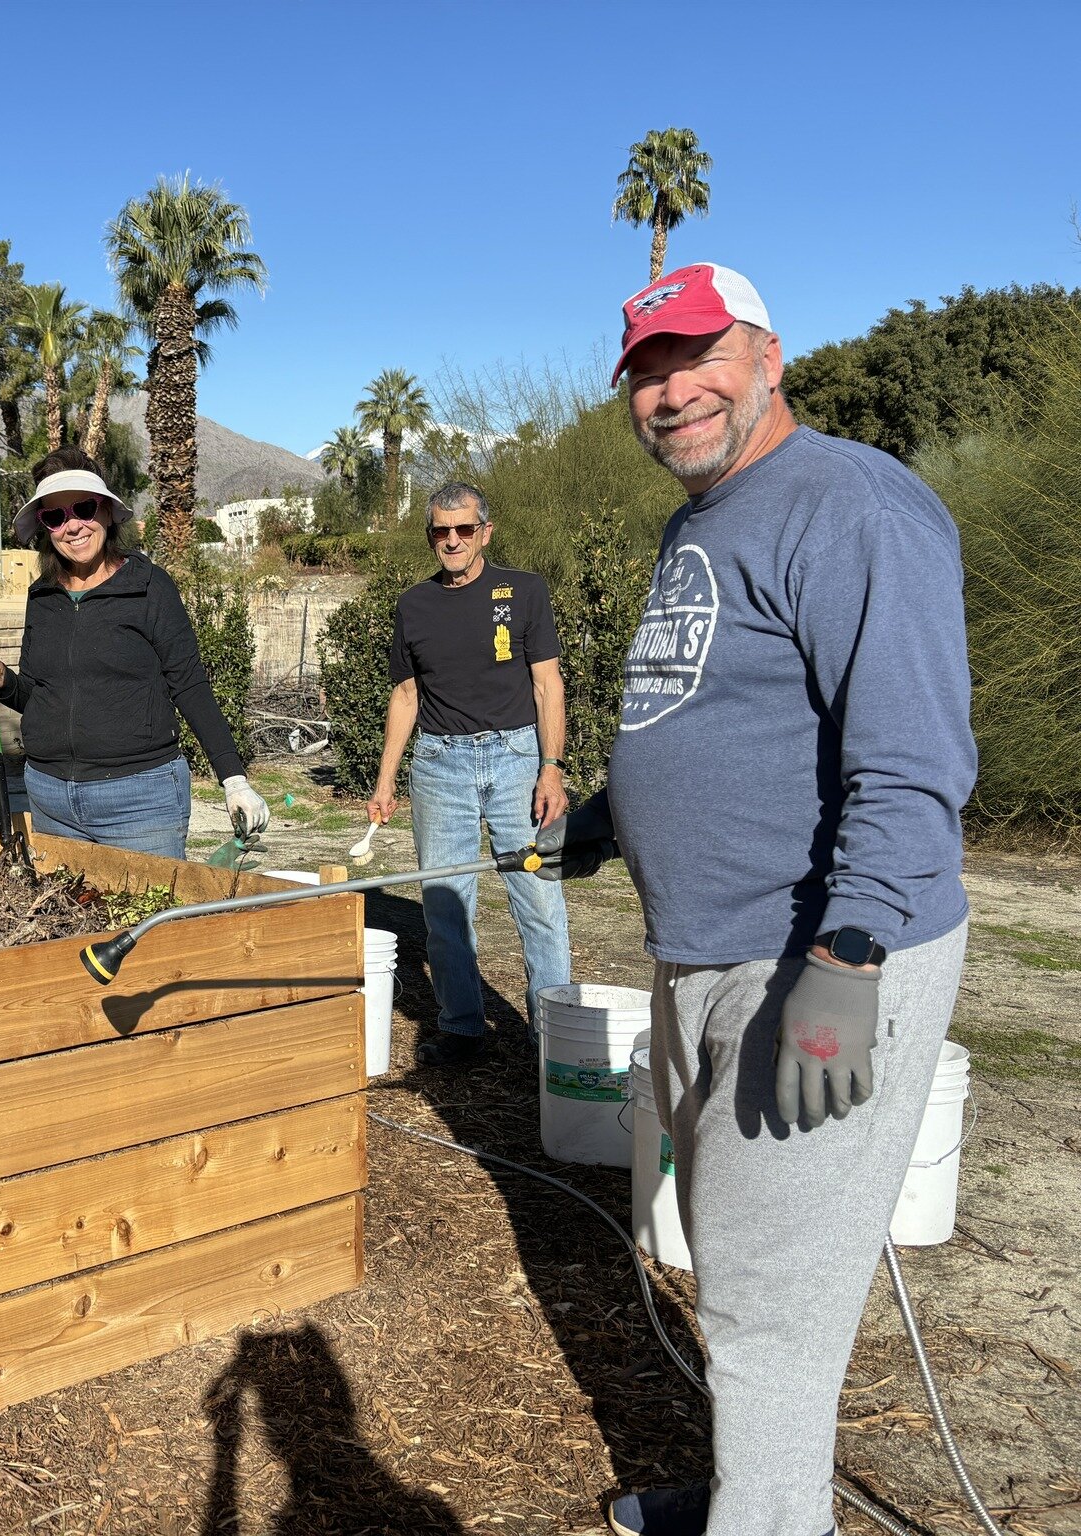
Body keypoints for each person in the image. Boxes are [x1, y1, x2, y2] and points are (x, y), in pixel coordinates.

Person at [539, 265, 976, 1536]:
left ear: (769, 357)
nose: (671, 392)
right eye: (646, 372)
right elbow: (710, 707)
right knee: (729, 1258)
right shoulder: (705, 519)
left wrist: (845, 961)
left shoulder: (851, 505)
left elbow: (908, 760)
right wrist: (607, 816)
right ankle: (760, 1501)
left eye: (698, 357)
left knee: (769, 1301)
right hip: (710, 951)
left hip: (814, 957)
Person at [0, 447, 267, 859]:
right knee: (74, 921)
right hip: (50, 798)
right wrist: (0, 677)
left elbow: (189, 685)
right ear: (45, 528)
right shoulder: (43, 596)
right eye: (55, 516)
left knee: (149, 922)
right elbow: (37, 696)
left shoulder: (149, 587)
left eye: (83, 508)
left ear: (105, 511)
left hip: (140, 800)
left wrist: (233, 779)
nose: (73, 526)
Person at [364, 483, 572, 1067]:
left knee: (538, 899)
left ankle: (554, 1036)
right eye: (439, 531)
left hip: (516, 759)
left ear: (485, 531)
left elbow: (547, 684)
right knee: (446, 903)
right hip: (439, 765)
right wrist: (386, 781)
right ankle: (461, 1028)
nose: (451, 541)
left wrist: (550, 769)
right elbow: (405, 696)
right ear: (429, 534)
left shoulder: (525, 592)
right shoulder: (414, 606)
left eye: (462, 529)